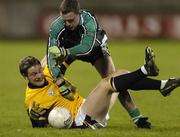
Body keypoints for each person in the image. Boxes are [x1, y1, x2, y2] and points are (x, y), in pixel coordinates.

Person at [19, 47, 180, 128]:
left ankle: (162, 87)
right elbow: (37, 124)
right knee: (106, 83)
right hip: (81, 121)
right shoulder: (33, 99)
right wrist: (52, 121)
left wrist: (70, 49)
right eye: (34, 74)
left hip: (88, 107)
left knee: (120, 74)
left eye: (39, 70)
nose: (39, 75)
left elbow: (66, 57)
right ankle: (145, 70)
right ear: (26, 77)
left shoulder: (49, 72)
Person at [46, 0, 148, 128]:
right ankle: (45, 112)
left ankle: (136, 117)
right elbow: (50, 55)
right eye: (64, 20)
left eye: (71, 20)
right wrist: (58, 79)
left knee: (114, 81)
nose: (67, 24)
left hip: (95, 51)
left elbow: (86, 48)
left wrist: (64, 51)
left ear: (79, 13)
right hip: (69, 51)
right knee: (48, 71)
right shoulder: (56, 26)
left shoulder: (89, 19)